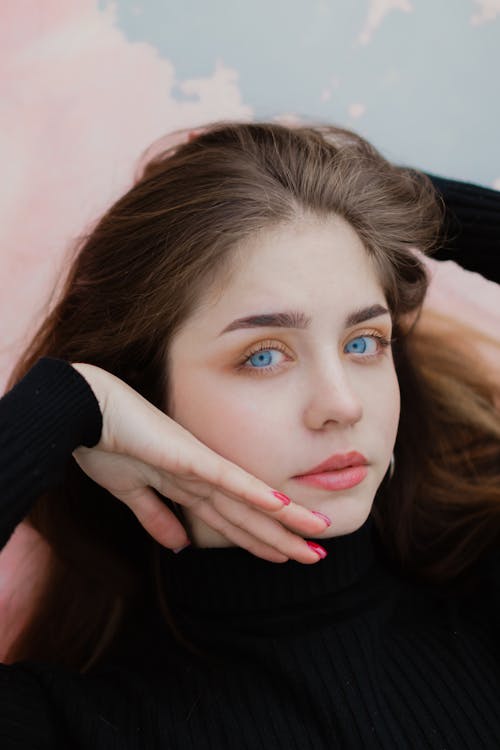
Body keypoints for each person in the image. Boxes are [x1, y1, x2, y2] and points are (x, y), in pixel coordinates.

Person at [1, 121, 499, 749]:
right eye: (264, 355)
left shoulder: (481, 609)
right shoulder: (89, 723)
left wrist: (373, 191)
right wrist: (71, 400)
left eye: (364, 342)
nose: (341, 404)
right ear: (145, 394)